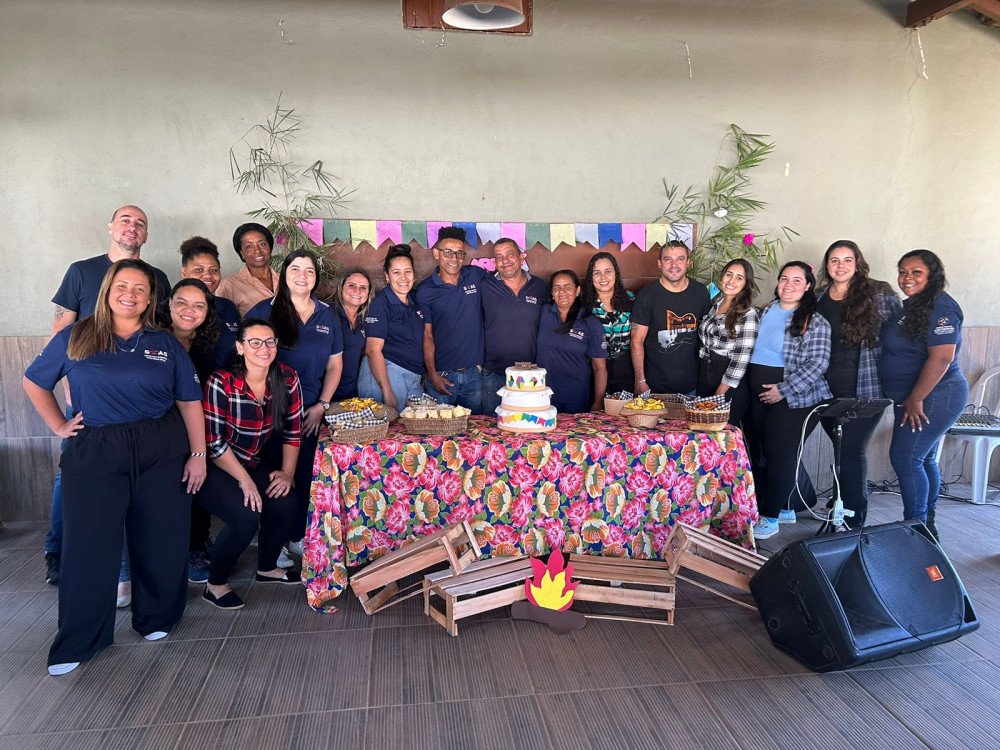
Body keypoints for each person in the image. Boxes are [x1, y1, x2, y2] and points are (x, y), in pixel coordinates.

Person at [23, 259, 206, 676]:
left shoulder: (165, 344)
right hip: (96, 448)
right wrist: (58, 424)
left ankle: (157, 617)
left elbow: (188, 401)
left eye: (140, 289)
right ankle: (80, 638)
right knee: (89, 544)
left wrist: (197, 455)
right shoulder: (77, 336)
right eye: (123, 286)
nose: (131, 294)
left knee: (160, 536)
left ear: (150, 297)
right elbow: (35, 381)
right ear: (107, 290)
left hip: (161, 445)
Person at [45, 205, 171, 590]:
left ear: (147, 235)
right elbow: (61, 327)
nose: (133, 227)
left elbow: (159, 333)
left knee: (129, 483)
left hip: (139, 402)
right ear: (110, 228)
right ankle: (57, 549)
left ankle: (127, 566)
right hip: (90, 396)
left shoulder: (158, 278)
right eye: (126, 220)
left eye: (141, 223)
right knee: (74, 475)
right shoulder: (82, 271)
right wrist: (67, 383)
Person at [198, 318, 305, 609]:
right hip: (215, 466)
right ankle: (215, 584)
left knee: (286, 501)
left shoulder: (286, 377)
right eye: (254, 342)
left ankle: (267, 567)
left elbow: (294, 431)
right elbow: (214, 442)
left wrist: (287, 473)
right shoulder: (222, 381)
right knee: (245, 516)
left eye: (270, 342)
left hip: (250, 461)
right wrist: (244, 481)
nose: (264, 348)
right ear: (240, 347)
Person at [247, 249, 343, 548]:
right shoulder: (264, 311)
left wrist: (322, 405)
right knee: (272, 480)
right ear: (284, 274)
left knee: (303, 477)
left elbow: (334, 365)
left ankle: (297, 537)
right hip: (268, 413)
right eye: (296, 269)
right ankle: (271, 544)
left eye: (309, 271)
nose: (302, 276)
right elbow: (247, 362)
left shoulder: (327, 314)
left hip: (310, 413)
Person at [881, 250, 968, 541]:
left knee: (906, 458)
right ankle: (926, 525)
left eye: (916, 272)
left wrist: (916, 398)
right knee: (923, 458)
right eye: (903, 271)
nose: (907, 278)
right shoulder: (909, 306)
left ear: (932, 275)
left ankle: (914, 528)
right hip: (910, 396)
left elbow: (942, 358)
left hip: (935, 395)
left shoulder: (942, 307)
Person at [815, 241, 901, 528]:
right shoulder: (817, 297)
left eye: (847, 260)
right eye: (834, 260)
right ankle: (841, 499)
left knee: (852, 450)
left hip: (867, 386)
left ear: (857, 263)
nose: (840, 266)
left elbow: (899, 335)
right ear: (827, 265)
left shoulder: (879, 293)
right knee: (840, 447)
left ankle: (854, 515)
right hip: (825, 387)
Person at [746, 261, 831, 541]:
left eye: (797, 280)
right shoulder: (767, 310)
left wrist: (783, 389)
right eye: (784, 278)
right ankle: (784, 507)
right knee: (759, 452)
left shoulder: (814, 321)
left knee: (780, 454)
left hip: (795, 398)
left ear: (807, 286)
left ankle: (769, 517)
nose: (789, 285)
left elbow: (818, 363)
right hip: (758, 396)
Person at [156, 279, 221, 583]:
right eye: (182, 302)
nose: (189, 311)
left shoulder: (208, 346)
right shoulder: (150, 340)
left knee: (196, 490)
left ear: (208, 311)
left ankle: (195, 547)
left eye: (199, 305)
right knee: (163, 498)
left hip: (198, 432)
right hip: (157, 433)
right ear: (168, 304)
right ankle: (166, 556)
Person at [415, 227, 488, 413]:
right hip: (442, 376)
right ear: (436, 254)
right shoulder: (426, 291)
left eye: (459, 253)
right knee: (439, 435)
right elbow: (427, 335)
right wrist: (432, 374)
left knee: (474, 433)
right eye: (448, 252)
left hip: (474, 375)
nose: (454, 259)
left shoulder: (475, 276)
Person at [631, 240, 711, 396]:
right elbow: (636, 341)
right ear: (660, 264)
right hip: (654, 387)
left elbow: (705, 336)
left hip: (692, 386)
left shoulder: (700, 292)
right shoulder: (646, 296)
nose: (674, 264)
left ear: (689, 263)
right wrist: (640, 381)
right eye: (668, 259)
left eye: (680, 259)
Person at [480, 238, 548, 415]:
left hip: (530, 374)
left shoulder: (539, 286)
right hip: (493, 372)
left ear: (521, 257)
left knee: (527, 426)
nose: (505, 261)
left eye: (510, 254)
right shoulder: (485, 286)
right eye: (499, 257)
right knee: (490, 427)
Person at [358, 245, 426, 410]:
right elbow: (372, 350)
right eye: (396, 272)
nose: (403, 277)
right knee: (386, 432)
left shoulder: (415, 301)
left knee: (412, 432)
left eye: (407, 271)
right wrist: (387, 391)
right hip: (387, 373)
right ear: (387, 276)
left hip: (413, 376)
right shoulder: (381, 304)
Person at [697, 258, 760, 428]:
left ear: (746, 284)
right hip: (705, 375)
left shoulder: (748, 314)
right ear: (721, 277)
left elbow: (741, 358)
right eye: (728, 275)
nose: (731, 281)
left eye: (739, 278)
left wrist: (720, 393)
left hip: (728, 383)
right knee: (703, 434)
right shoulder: (715, 305)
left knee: (722, 436)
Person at [536, 270, 608, 413]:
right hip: (542, 396)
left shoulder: (589, 322)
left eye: (567, 287)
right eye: (556, 287)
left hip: (576, 399)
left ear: (577, 290)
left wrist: (598, 402)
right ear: (551, 293)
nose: (561, 291)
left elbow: (599, 368)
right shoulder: (543, 312)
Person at [178, 236, 241, 368]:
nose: (207, 276)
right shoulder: (170, 310)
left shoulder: (227, 307)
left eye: (213, 270)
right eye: (199, 270)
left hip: (224, 386)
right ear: (184, 273)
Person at [582, 252, 635, 396]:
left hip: (626, 369)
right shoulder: (583, 305)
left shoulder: (631, 300)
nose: (603, 277)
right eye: (597, 273)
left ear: (615, 273)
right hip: (593, 370)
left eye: (608, 271)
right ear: (590, 277)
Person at [216, 223, 280, 316]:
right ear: (241, 253)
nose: (257, 250)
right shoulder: (229, 286)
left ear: (269, 248)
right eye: (249, 246)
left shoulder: (286, 280)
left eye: (262, 244)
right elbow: (224, 324)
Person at [332, 268, 372, 401]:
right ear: (341, 287)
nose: (357, 291)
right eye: (352, 285)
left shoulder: (365, 320)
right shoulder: (328, 314)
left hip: (354, 392)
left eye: (363, 287)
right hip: (328, 392)